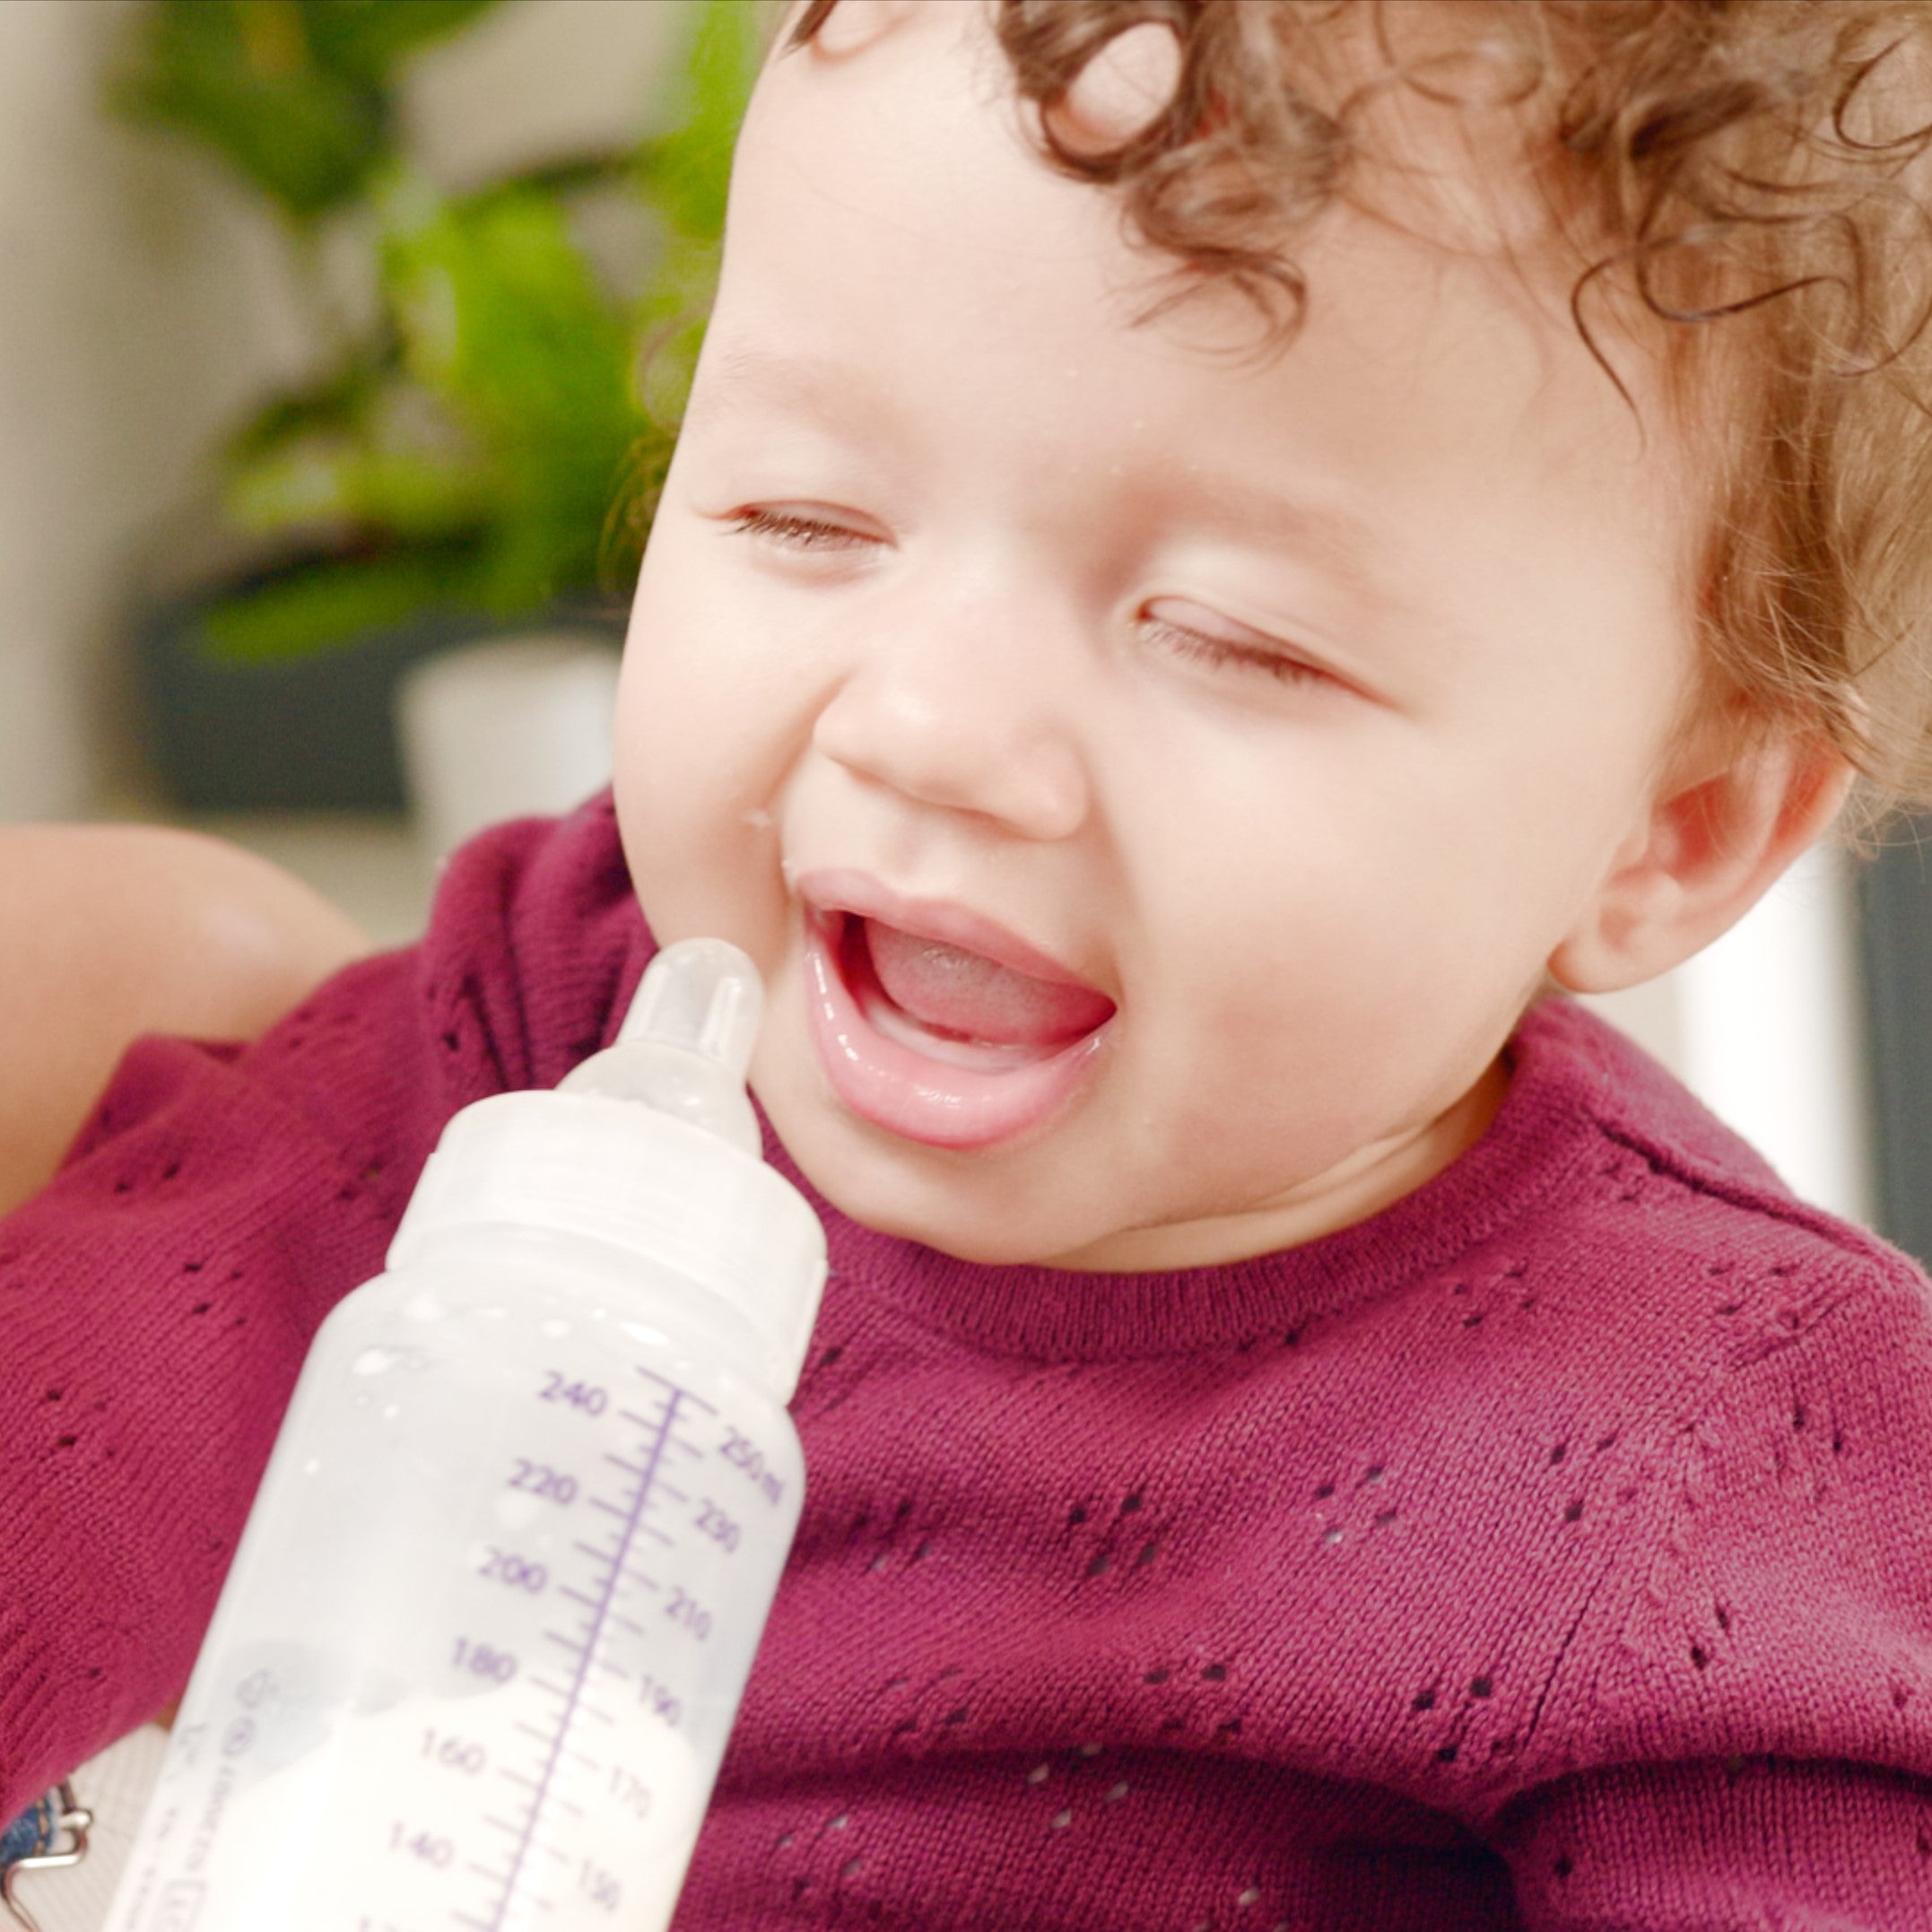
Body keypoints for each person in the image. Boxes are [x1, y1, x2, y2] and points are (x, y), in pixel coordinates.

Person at [5, 1, 1932, 1923]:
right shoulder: (544, 1003)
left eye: (1232, 636)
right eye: (805, 514)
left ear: (1666, 832)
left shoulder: (1729, 1453)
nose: (922, 726)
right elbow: (85, 1431)